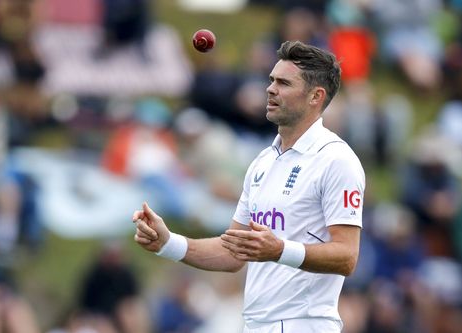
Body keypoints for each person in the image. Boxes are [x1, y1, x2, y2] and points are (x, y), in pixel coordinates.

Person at [133, 40, 365, 333]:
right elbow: (233, 252)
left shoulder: (336, 160)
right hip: (256, 325)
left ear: (315, 97)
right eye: (271, 81)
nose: (270, 89)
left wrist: (279, 250)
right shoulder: (263, 162)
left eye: (283, 83)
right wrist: (168, 243)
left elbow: (347, 256)